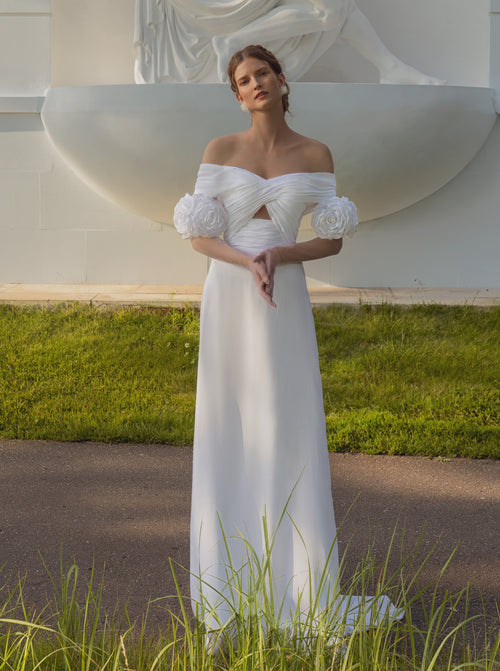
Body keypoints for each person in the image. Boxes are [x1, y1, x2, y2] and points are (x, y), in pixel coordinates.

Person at [173, 44, 397, 649]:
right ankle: (224, 601)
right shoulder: (221, 151)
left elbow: (330, 243)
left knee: (289, 430)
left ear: (279, 78)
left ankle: (302, 594)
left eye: (262, 73)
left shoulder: (315, 153)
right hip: (231, 293)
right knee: (230, 427)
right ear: (238, 94)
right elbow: (199, 237)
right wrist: (248, 259)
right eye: (243, 80)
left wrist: (278, 253)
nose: (255, 84)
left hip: (285, 295)